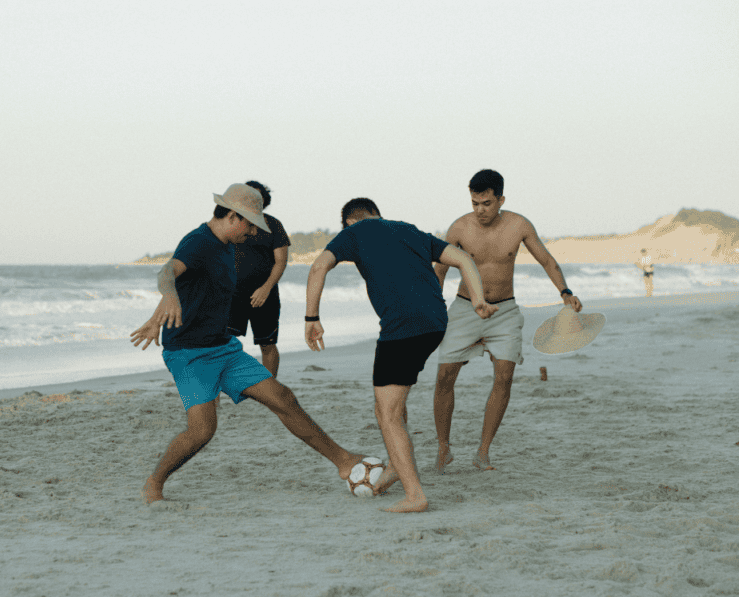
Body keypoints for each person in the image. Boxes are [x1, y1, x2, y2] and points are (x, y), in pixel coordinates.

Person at [130, 183, 366, 504]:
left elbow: (190, 286)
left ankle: (344, 461)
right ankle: (154, 483)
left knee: (283, 397)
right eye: (252, 224)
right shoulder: (199, 242)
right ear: (232, 217)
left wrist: (162, 311)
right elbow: (168, 271)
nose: (255, 232)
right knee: (201, 431)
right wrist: (167, 298)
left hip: (223, 347)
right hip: (190, 353)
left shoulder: (228, 245)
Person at [305, 198, 496, 513]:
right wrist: (477, 299)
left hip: (402, 327)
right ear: (378, 214)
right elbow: (462, 257)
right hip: (434, 322)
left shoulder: (354, 232)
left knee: (388, 413)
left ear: (349, 222)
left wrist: (312, 318)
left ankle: (415, 495)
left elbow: (317, 267)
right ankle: (395, 466)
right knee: (387, 404)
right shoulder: (407, 230)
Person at [433, 169, 583, 473]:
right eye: (475, 203)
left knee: (503, 378)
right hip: (465, 309)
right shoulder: (459, 228)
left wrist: (565, 291)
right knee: (445, 378)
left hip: (504, 312)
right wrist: (433, 307)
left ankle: (483, 452)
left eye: (487, 203)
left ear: (501, 199)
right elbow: (440, 270)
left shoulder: (519, 225)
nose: (480, 210)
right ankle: (444, 448)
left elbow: (546, 260)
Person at [226, 180, 290, 377]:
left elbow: (280, 261)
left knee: (267, 344)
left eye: (256, 196)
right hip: (231, 294)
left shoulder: (273, 224)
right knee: (223, 342)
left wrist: (266, 288)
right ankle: (218, 390)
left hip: (265, 294)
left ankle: (271, 390)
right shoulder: (230, 222)